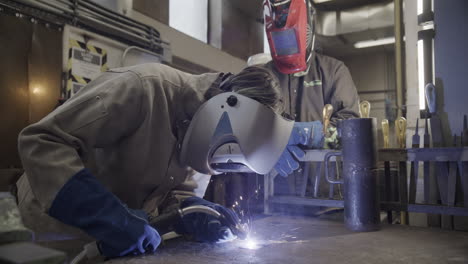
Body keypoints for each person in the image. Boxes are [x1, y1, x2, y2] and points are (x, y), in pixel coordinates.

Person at [16, 62, 321, 258]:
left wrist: (190, 210)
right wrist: (108, 217)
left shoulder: (211, 137)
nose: (220, 164)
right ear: (226, 107)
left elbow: (172, 192)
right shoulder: (142, 87)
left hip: (117, 245)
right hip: (52, 235)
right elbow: (41, 142)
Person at [262, 0, 360, 185]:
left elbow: (353, 132)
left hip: (326, 192)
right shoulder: (263, 77)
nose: (285, 45)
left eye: (290, 36)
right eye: (279, 39)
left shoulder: (334, 71)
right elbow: (248, 128)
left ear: (307, 31)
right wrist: (269, 145)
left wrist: (315, 134)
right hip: (277, 194)